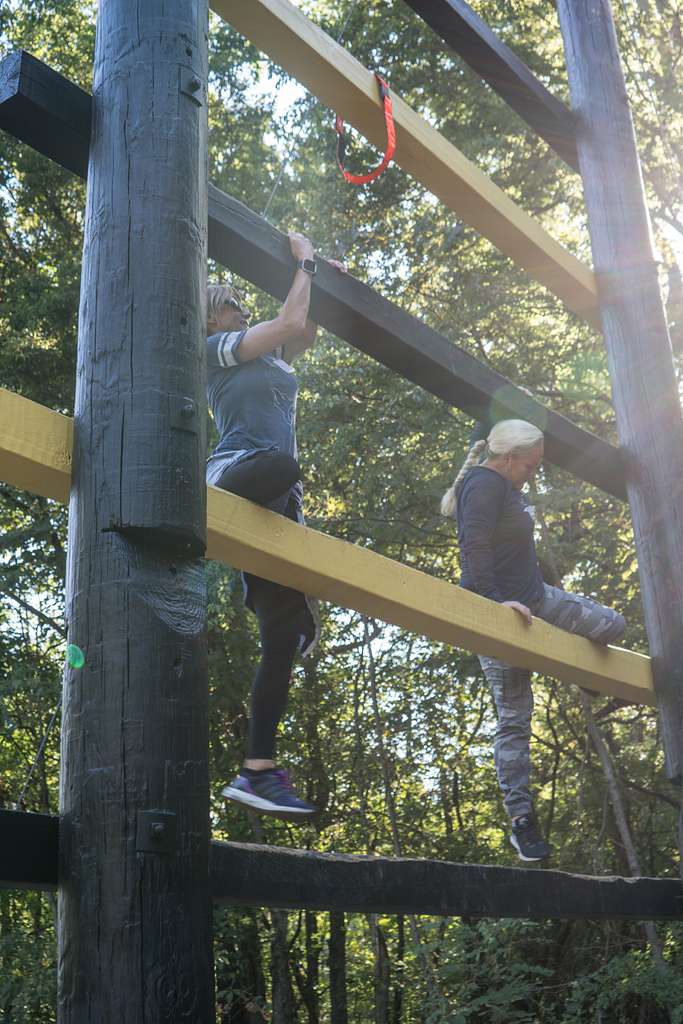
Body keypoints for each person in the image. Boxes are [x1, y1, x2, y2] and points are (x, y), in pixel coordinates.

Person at [206, 231, 346, 822]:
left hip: (276, 503)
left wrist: (322, 275)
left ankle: (256, 770)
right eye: (231, 299)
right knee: (283, 463)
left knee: (282, 640)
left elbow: (305, 327)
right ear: (214, 313)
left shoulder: (269, 359)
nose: (241, 303)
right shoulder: (217, 348)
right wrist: (304, 262)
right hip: (238, 474)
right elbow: (290, 321)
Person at [441, 419, 625, 861]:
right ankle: (522, 822)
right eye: (529, 465)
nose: (533, 473)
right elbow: (473, 546)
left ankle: (577, 672)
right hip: (498, 614)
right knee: (515, 719)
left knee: (611, 625)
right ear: (507, 458)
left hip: (538, 599)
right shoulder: (484, 485)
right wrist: (494, 604)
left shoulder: (500, 479)